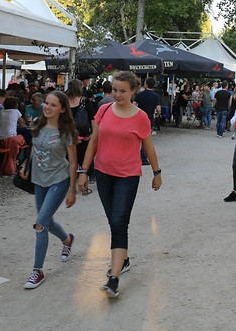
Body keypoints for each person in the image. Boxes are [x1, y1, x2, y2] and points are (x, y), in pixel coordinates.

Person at [77, 71, 161, 298]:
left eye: (123, 91)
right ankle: (123, 260)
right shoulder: (103, 110)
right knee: (113, 220)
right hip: (103, 174)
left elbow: (149, 147)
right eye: (114, 89)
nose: (117, 94)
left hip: (128, 176)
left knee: (118, 221)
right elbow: (94, 141)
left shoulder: (141, 117)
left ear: (133, 91)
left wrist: (156, 172)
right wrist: (83, 172)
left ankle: (113, 278)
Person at [21, 91, 78, 289]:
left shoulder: (67, 131)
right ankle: (67, 239)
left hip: (58, 180)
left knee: (41, 223)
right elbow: (33, 147)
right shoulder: (37, 122)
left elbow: (72, 163)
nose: (47, 107)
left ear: (62, 109)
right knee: (47, 220)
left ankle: (37, 270)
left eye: (53, 105)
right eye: (46, 103)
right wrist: (25, 166)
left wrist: (72, 190)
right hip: (38, 180)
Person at [0, 96, 26, 175]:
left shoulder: (1, 111)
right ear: (16, 105)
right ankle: (17, 161)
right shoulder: (16, 111)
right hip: (10, 138)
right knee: (25, 143)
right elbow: (22, 125)